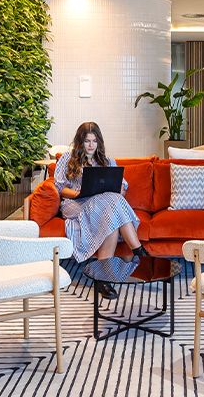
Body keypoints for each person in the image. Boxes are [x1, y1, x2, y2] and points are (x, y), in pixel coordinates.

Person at [54, 122, 149, 299]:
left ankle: (103, 278)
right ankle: (139, 251)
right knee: (112, 206)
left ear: (99, 142)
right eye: (87, 141)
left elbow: (122, 186)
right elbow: (60, 188)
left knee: (112, 206)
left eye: (94, 141)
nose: (91, 145)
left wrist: (118, 189)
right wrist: (78, 193)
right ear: (79, 141)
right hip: (76, 204)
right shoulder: (67, 159)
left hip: (104, 206)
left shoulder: (107, 161)